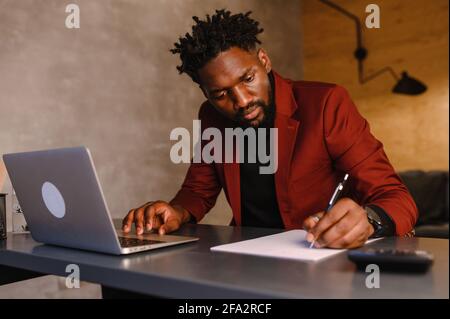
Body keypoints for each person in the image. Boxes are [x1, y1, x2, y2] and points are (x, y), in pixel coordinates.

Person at [122, 9, 418, 249]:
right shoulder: (212, 117)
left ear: (263, 61)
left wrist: (368, 218)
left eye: (247, 78)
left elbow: (396, 197)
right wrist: (176, 211)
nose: (242, 101)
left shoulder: (326, 103)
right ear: (206, 94)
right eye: (221, 94)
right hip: (250, 259)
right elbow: (198, 190)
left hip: (324, 259)